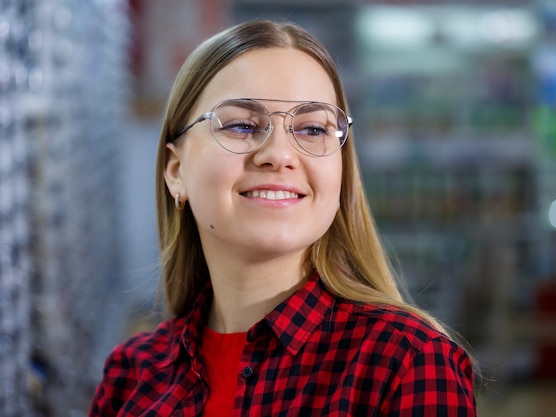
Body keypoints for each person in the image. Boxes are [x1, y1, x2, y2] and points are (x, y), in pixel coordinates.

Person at [89, 19, 476, 416]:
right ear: (176, 171)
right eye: (241, 124)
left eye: (312, 129)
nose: (279, 154)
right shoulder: (130, 376)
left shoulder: (408, 364)